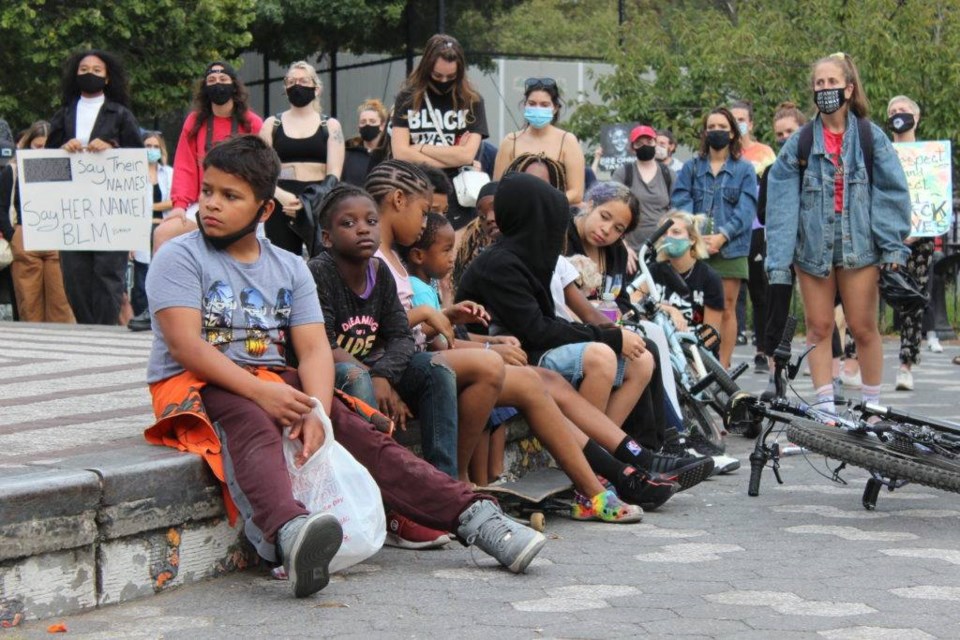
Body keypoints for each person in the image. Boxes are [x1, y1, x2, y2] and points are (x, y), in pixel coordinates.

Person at [144, 135, 548, 599]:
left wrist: (315, 410)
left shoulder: (289, 267)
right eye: (209, 191)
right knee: (251, 416)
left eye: (230, 196)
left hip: (274, 379)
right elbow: (186, 346)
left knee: (358, 430)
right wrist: (263, 394)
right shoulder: (179, 255)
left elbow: (314, 350)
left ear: (264, 211)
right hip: (195, 382)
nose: (212, 205)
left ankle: (474, 516)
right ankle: (291, 533)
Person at [313, 187, 653, 521]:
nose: (363, 229)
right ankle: (411, 498)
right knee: (503, 367)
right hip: (357, 372)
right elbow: (328, 342)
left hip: (398, 364)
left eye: (369, 221)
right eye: (350, 223)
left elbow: (401, 336)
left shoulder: (383, 269)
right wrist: (386, 372)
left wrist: (443, 337)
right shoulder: (323, 273)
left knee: (534, 379)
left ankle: (602, 480)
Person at [766, 52, 911, 413]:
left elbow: (892, 193)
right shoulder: (797, 145)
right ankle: (826, 409)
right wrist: (779, 264)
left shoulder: (870, 137)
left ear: (849, 88)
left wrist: (892, 247)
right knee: (818, 327)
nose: (825, 89)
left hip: (859, 248)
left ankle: (873, 407)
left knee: (863, 328)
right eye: (819, 83)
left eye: (832, 83)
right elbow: (781, 209)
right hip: (812, 251)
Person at [45, 49, 143, 325]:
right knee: (75, 275)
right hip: (72, 212)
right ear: (75, 75)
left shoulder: (121, 114)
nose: (90, 74)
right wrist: (63, 150)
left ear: (108, 78)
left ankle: (104, 331)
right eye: (84, 69)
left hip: (110, 211)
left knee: (108, 274)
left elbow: (138, 159)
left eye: (97, 70)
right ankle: (86, 328)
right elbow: (42, 163)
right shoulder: (63, 114)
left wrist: (114, 147)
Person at [671, 106, 758, 368]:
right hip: (694, 249)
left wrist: (722, 236)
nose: (716, 132)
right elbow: (680, 201)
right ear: (705, 133)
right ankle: (698, 362)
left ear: (732, 133)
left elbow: (746, 210)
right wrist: (695, 235)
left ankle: (723, 366)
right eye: (712, 127)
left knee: (727, 307)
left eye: (722, 127)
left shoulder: (745, 170)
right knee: (695, 304)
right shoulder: (691, 168)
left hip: (731, 249)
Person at [155, 62, 263, 253]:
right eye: (211, 80)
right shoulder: (195, 121)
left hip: (241, 202)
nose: (217, 84)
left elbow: (262, 168)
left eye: (223, 79)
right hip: (202, 203)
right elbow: (184, 166)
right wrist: (179, 205)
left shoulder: (252, 123)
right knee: (162, 234)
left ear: (234, 85)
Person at [390, 34, 489, 235]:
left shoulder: (472, 101)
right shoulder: (407, 98)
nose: (444, 81)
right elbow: (400, 153)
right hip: (415, 187)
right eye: (437, 76)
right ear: (427, 69)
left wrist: (420, 148)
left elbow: (466, 156)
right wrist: (451, 154)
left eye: (451, 77)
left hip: (457, 195)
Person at [260, 61, 344, 256]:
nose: (297, 85)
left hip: (318, 201)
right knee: (282, 261)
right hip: (280, 201)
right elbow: (261, 171)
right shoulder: (272, 124)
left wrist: (307, 203)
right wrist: (282, 197)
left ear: (316, 88)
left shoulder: (330, 126)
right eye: (291, 81)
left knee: (322, 260)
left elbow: (334, 174)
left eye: (303, 80)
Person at [0, 121, 74, 323]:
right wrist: (12, 234)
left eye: (46, 146)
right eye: (38, 146)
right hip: (25, 234)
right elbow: (2, 205)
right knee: (29, 303)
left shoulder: (62, 168)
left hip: (55, 235)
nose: (42, 150)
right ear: (28, 145)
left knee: (60, 303)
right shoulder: (13, 170)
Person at [887, 95, 936, 391]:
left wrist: (914, 232)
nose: (897, 115)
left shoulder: (929, 156)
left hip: (919, 239)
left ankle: (906, 363)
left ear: (915, 118)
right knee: (866, 296)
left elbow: (934, 198)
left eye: (903, 111)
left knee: (913, 300)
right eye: (892, 111)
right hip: (883, 237)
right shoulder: (881, 152)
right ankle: (852, 361)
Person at [730, 100, 777, 373]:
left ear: (751, 122)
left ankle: (762, 348)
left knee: (761, 292)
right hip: (732, 231)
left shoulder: (764, 152)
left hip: (758, 229)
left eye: (741, 118)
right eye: (733, 118)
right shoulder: (726, 153)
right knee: (731, 293)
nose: (738, 123)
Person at [492, 78, 585, 204]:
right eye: (532, 103)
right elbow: (496, 189)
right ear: (525, 105)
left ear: (555, 108)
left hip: (555, 217)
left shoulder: (568, 141)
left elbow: (576, 192)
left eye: (544, 105)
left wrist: (547, 204)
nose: (537, 108)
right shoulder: (510, 141)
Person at [127, 131, 174, 330]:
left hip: (162, 227)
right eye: (147, 146)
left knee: (160, 273)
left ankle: (158, 317)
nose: (151, 150)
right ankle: (141, 315)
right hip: (139, 230)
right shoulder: (131, 174)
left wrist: (149, 207)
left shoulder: (169, 173)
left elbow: (174, 201)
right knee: (140, 277)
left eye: (155, 146)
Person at [612, 125, 675, 251]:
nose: (645, 146)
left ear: (655, 143)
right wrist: (623, 246)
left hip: (662, 247)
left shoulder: (668, 174)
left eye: (649, 141)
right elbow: (613, 209)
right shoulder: (623, 173)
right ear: (632, 148)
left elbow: (676, 211)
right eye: (639, 143)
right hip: (630, 249)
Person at [342, 99, 390, 187]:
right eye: (363, 122)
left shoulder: (389, 153)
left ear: (382, 126)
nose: (367, 125)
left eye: (372, 121)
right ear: (358, 126)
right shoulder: (349, 152)